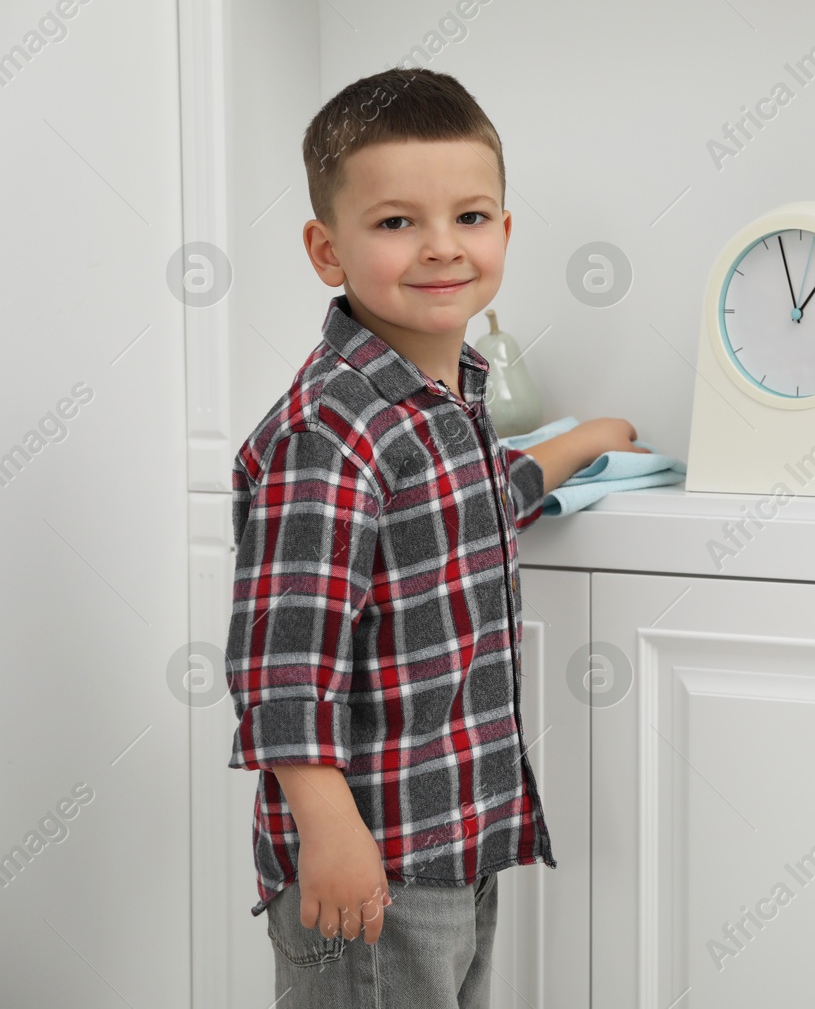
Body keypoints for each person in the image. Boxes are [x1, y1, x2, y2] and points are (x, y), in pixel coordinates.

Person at [223, 66, 647, 1007]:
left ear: (503, 230)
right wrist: (331, 835)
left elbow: (482, 507)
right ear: (325, 249)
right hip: (371, 858)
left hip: (456, 834)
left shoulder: (444, 400)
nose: (440, 248)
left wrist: (585, 440)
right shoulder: (329, 432)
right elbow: (284, 666)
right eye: (394, 222)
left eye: (469, 216)